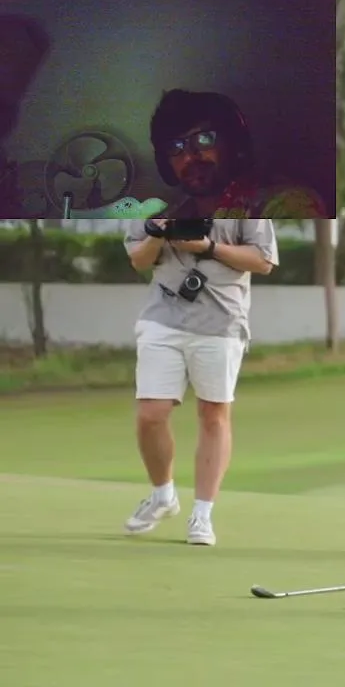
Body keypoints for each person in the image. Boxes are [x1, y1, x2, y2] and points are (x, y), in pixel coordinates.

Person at [121, 217, 279, 546]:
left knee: (213, 415)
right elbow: (139, 260)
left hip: (221, 322)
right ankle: (163, 495)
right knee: (151, 414)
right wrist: (157, 234)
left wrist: (208, 247)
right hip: (162, 317)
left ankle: (202, 513)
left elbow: (263, 260)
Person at [146, 89, 327, 218]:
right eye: (175, 146)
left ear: (233, 142)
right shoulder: (168, 220)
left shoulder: (286, 204)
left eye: (204, 138)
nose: (189, 157)